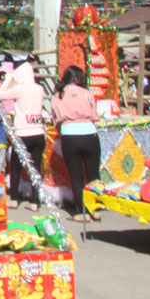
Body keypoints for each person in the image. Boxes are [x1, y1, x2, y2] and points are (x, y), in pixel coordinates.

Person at [51, 65, 101, 221]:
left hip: (69, 135)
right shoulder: (87, 93)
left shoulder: (58, 96)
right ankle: (96, 209)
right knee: (93, 174)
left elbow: (55, 120)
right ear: (78, 78)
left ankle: (81, 212)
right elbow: (94, 112)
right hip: (89, 134)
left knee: (76, 176)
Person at [0, 61, 47, 209]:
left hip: (22, 133)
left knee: (16, 167)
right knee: (35, 168)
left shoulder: (20, 89)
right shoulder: (39, 89)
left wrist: (7, 79)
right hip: (38, 132)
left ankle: (14, 198)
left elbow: (0, 95)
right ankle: (35, 201)